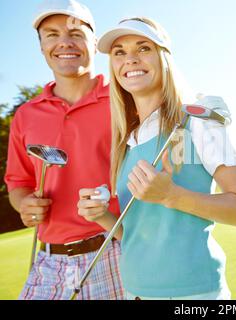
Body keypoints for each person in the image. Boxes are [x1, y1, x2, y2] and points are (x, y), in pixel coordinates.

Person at [77, 17, 236, 300]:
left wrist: (171, 195)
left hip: (193, 294)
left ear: (164, 57)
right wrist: (102, 216)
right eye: (119, 52)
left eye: (143, 48)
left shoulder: (197, 118)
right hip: (134, 292)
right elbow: (136, 234)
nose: (131, 59)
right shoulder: (126, 140)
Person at [4, 0, 125, 299]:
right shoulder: (26, 115)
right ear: (42, 46)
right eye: (51, 34)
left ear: (94, 42)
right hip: (49, 259)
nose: (64, 43)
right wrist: (24, 204)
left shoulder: (125, 101)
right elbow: (18, 184)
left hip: (115, 251)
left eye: (75, 32)